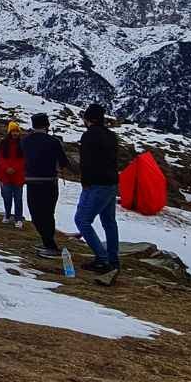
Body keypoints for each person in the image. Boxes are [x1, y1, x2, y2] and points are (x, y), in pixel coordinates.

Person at [75, 103, 121, 277]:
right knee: (109, 222)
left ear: (89, 119)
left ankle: (102, 260)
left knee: (82, 220)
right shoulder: (111, 136)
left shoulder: (89, 136)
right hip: (111, 183)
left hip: (96, 184)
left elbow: (86, 162)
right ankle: (113, 259)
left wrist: (85, 181)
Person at [19, 112, 73, 257]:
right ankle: (50, 245)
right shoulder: (54, 142)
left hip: (31, 182)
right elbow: (63, 163)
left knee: (36, 214)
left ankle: (47, 242)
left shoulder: (25, 141)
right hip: (49, 182)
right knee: (48, 213)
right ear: (47, 126)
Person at [0, 122, 26, 228]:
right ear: (9, 132)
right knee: (7, 197)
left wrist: (14, 168)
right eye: (13, 131)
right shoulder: (3, 144)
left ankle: (18, 219)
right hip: (5, 174)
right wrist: (6, 168)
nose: (15, 133)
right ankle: (7, 215)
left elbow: (24, 159)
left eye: (17, 131)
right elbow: (0, 158)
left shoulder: (22, 144)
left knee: (18, 198)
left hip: (18, 175)